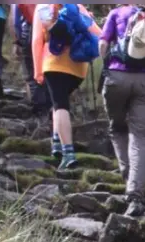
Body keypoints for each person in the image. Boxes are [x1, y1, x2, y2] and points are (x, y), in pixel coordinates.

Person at [98, 3, 145, 202]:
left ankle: (128, 175)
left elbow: (103, 44)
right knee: (139, 135)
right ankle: (135, 193)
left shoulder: (116, 13)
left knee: (117, 127)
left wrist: (106, 66)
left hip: (116, 78)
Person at [32, 3, 103, 170]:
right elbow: (100, 35)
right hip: (78, 67)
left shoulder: (43, 8)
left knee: (60, 105)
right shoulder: (78, 7)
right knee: (59, 102)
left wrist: (37, 70)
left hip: (54, 63)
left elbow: (36, 40)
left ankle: (68, 153)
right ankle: (56, 143)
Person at [11, 3, 50, 115]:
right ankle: (50, 105)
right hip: (48, 33)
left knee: (31, 72)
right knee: (47, 69)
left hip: (28, 33)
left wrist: (18, 41)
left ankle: (39, 107)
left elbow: (16, 22)